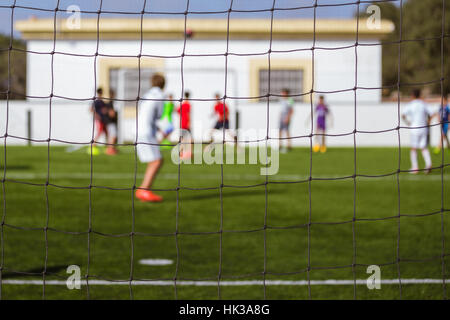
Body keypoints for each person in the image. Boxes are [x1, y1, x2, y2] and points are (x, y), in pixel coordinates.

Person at [135, 74, 168, 202]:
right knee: (157, 161)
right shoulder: (160, 95)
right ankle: (143, 190)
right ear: (163, 84)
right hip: (146, 131)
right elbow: (159, 115)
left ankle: (144, 189)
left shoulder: (147, 94)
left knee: (154, 160)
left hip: (138, 129)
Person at [401, 88, 435, 174]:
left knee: (414, 148)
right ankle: (428, 164)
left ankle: (415, 168)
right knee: (423, 147)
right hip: (424, 129)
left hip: (414, 129)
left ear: (412, 95)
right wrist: (428, 121)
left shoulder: (410, 105)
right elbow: (433, 113)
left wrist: (408, 122)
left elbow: (403, 115)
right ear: (420, 95)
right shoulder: (423, 104)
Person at [90, 87, 109, 155]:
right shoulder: (96, 101)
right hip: (100, 120)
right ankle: (93, 145)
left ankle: (108, 148)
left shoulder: (102, 101)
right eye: (101, 92)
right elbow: (91, 109)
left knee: (106, 133)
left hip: (104, 120)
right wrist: (97, 116)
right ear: (99, 92)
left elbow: (104, 109)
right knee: (99, 132)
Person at [177, 91, 192, 159]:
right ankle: (186, 154)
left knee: (183, 139)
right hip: (186, 123)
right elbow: (189, 114)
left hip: (182, 122)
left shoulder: (182, 104)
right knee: (187, 139)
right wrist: (189, 123)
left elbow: (177, 111)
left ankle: (181, 153)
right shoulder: (188, 104)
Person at [278, 88, 294, 153]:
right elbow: (281, 109)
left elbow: (291, 110)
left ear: (286, 93)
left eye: (283, 93)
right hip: (282, 117)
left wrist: (288, 118)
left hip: (286, 117)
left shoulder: (290, 100)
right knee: (280, 131)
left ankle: (289, 145)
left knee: (287, 131)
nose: (282, 94)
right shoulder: (281, 100)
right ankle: (280, 145)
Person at [105, 89, 118, 155]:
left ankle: (111, 149)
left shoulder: (110, 102)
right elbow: (111, 113)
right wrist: (115, 114)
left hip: (110, 122)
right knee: (113, 136)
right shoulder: (110, 103)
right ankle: (109, 150)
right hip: (110, 122)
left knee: (112, 136)